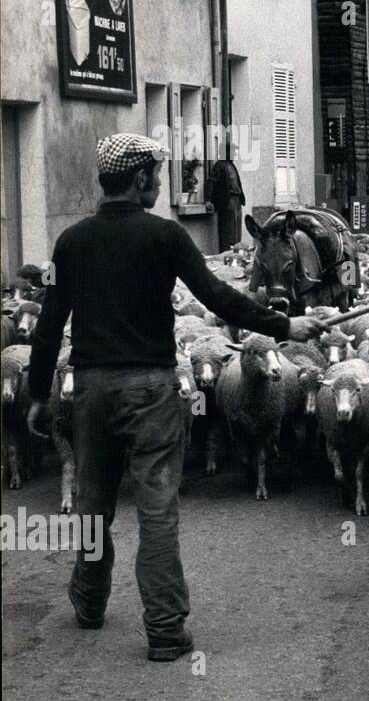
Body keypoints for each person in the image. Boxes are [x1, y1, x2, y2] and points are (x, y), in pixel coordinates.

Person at [25, 134, 326, 662]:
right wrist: (286, 325)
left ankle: (90, 600)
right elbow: (218, 296)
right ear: (139, 178)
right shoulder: (165, 237)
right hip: (152, 388)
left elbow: (49, 325)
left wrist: (37, 395)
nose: (161, 184)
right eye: (156, 175)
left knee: (94, 502)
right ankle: (165, 629)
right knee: (157, 509)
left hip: (91, 392)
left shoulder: (70, 242)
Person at [205, 156, 246, 251]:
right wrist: (208, 200)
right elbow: (211, 182)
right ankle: (227, 255)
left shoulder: (232, 165)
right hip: (227, 202)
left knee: (236, 233)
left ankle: (236, 255)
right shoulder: (219, 165)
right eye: (233, 151)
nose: (235, 154)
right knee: (227, 233)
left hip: (237, 201)